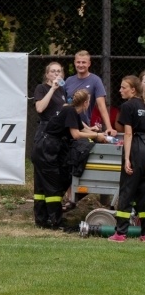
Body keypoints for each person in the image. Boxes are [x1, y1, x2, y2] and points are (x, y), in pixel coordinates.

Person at [31, 88, 107, 230]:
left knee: (42, 186)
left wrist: (99, 135)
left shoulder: (71, 111)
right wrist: (96, 136)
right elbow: (76, 135)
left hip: (44, 147)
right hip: (47, 150)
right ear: (86, 102)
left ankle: (42, 219)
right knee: (53, 185)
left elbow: (82, 129)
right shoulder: (70, 111)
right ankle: (55, 221)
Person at [108, 76, 145, 242]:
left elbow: (128, 133)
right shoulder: (143, 104)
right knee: (143, 193)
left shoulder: (128, 106)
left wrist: (128, 158)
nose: (120, 90)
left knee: (127, 190)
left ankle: (120, 233)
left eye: (124, 87)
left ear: (133, 90)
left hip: (136, 148)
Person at [32, 62, 68, 227]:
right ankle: (49, 219)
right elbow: (40, 108)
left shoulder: (63, 91)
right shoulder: (42, 88)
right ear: (47, 74)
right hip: (45, 137)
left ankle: (45, 218)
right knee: (47, 178)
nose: (56, 74)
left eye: (59, 71)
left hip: (58, 137)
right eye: (53, 71)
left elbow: (65, 112)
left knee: (50, 179)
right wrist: (52, 89)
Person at [64, 50, 115, 135]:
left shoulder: (95, 80)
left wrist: (109, 127)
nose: (81, 65)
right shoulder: (68, 81)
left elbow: (101, 105)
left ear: (89, 64)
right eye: (78, 62)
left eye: (84, 62)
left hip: (84, 126)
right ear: (74, 63)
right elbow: (63, 104)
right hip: (68, 124)